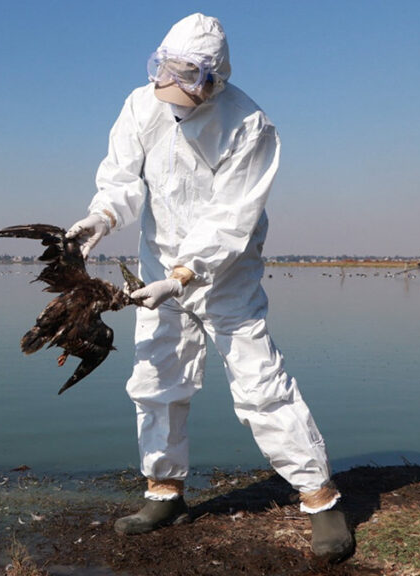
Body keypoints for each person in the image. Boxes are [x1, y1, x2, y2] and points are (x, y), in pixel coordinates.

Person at [66, 13, 354, 563]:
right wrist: (99, 218)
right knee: (155, 379)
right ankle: (163, 492)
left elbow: (231, 218)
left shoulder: (250, 125)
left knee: (260, 384)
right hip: (158, 268)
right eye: (164, 71)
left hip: (225, 275)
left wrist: (184, 276)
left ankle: (321, 500)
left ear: (212, 80)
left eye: (183, 78)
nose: (168, 87)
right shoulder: (140, 105)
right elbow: (122, 179)